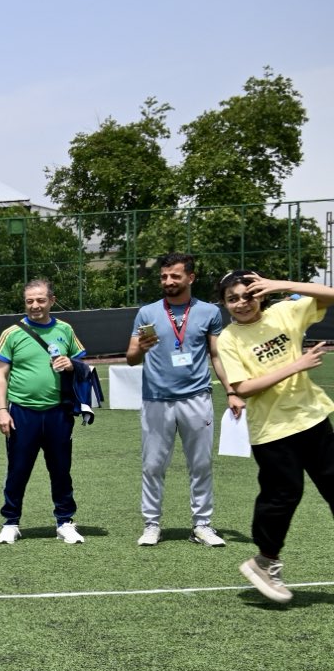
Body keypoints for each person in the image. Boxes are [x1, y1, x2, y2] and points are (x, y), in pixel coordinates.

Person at [214, 272, 334, 603]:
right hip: (272, 431)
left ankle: (265, 561)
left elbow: (330, 294)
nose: (241, 303)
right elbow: (242, 388)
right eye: (232, 299)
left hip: (312, 417)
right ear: (224, 304)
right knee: (284, 495)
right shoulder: (229, 338)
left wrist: (283, 286)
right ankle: (264, 562)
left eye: (247, 295)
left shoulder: (285, 311)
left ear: (261, 294)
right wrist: (298, 365)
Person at [127, 255, 227, 548]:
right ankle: (151, 524)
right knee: (153, 466)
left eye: (175, 276)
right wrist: (140, 350)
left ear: (190, 278)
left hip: (197, 398)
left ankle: (202, 525)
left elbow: (217, 355)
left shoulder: (210, 312)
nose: (168, 282)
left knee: (201, 465)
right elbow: (131, 358)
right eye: (164, 277)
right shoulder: (146, 312)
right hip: (156, 400)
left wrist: (232, 391)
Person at [0, 279, 89, 545]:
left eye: (40, 300)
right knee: (18, 470)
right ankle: (11, 522)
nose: (35, 305)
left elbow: (81, 363)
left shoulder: (65, 329)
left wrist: (71, 364)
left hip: (58, 412)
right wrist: (2, 410)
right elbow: (1, 375)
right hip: (22, 413)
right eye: (30, 301)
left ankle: (65, 521)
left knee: (61, 470)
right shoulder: (11, 333)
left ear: (51, 301)